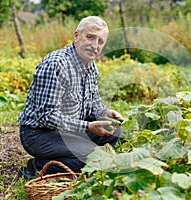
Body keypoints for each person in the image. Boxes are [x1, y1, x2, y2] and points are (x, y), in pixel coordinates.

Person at [18, 16, 124, 179]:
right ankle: (36, 167)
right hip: (39, 134)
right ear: (76, 36)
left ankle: (67, 158)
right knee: (91, 156)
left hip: (69, 129)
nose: (94, 45)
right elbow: (46, 117)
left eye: (100, 41)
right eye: (90, 37)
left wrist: (105, 112)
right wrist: (87, 127)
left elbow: (94, 104)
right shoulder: (56, 64)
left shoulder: (90, 66)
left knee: (114, 132)